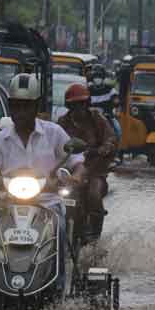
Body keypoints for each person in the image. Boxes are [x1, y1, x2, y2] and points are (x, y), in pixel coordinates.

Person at [0, 73, 86, 291]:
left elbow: (77, 161)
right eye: (16, 106)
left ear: (36, 107)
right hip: (9, 206)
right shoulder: (0, 140)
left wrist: (77, 177)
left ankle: (58, 287)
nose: (20, 112)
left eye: (26, 106)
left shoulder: (53, 133)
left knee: (59, 230)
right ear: (10, 107)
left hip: (48, 205)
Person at [57, 83, 117, 223]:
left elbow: (111, 137)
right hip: (69, 172)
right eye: (75, 105)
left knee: (94, 195)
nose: (79, 108)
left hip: (94, 171)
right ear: (69, 106)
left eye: (82, 104)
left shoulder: (97, 119)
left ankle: (94, 234)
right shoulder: (62, 123)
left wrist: (105, 148)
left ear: (87, 104)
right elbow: (53, 144)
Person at [87, 64, 121, 139]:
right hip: (90, 118)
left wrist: (116, 102)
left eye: (99, 76)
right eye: (96, 76)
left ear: (103, 77)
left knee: (118, 130)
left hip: (107, 117)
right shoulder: (88, 90)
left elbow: (116, 101)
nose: (97, 78)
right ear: (92, 77)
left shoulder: (110, 89)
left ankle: (116, 148)